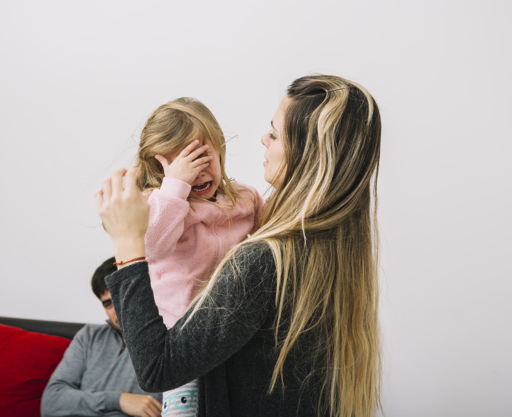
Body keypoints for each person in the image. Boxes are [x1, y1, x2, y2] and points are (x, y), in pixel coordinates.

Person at [95, 75, 382, 417]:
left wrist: (126, 242)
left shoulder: (263, 257)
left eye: (274, 133)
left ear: (305, 153)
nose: (264, 138)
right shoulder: (324, 245)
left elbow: (157, 368)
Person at [131, 97, 263, 414]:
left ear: (220, 151)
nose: (197, 173)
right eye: (183, 164)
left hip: (231, 329)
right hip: (181, 339)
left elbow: (268, 245)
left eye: (203, 157)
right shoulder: (160, 204)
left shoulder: (245, 198)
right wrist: (174, 186)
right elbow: (154, 246)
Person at [41, 257, 162, 417]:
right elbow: (51, 403)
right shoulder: (88, 337)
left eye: (122, 297)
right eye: (108, 303)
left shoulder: (165, 342)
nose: (116, 310)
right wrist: (119, 400)